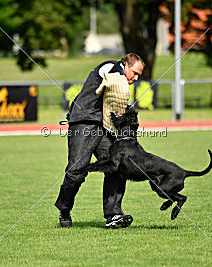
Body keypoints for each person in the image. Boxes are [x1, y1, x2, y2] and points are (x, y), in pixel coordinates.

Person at [55, 53, 144, 228]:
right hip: (84, 122)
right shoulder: (110, 67)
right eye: (134, 72)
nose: (136, 77)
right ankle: (64, 209)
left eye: (139, 75)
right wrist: (120, 76)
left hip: (104, 127)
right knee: (77, 171)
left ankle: (114, 215)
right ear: (124, 64)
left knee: (117, 166)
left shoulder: (121, 84)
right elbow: (110, 74)